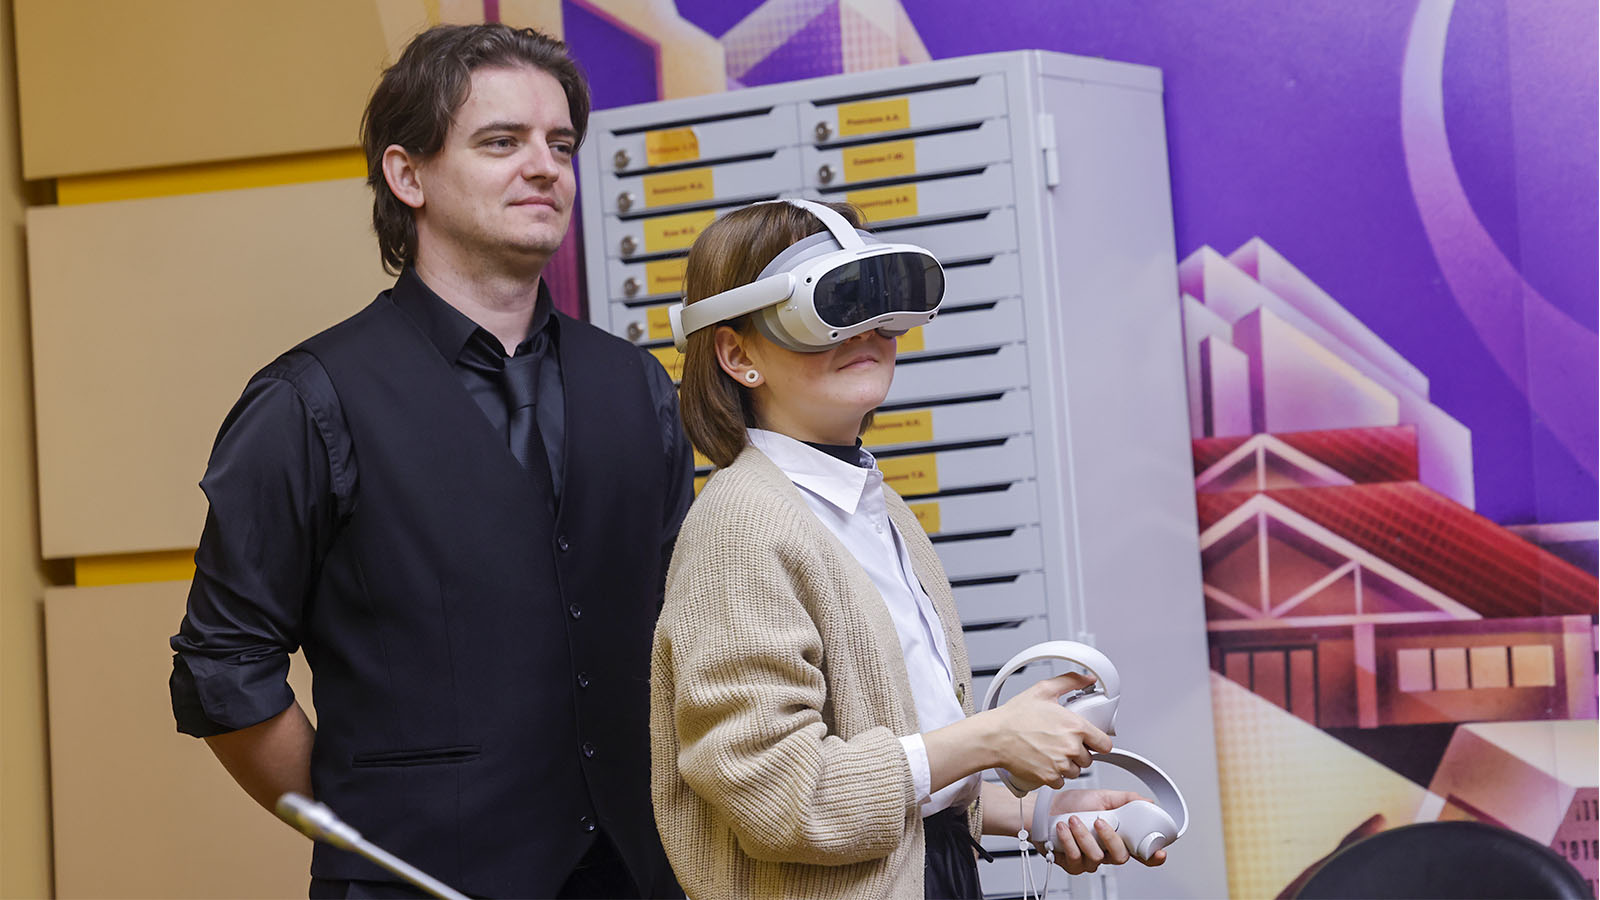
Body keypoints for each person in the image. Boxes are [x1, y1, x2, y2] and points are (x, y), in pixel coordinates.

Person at [168, 24, 692, 899]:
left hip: (641, 878)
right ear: (407, 175)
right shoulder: (308, 400)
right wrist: (362, 834)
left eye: (561, 145)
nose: (545, 168)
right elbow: (222, 668)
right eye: (502, 142)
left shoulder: (636, 385)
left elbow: (689, 631)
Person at [650, 199, 1168, 898]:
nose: (865, 330)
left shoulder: (877, 506)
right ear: (739, 355)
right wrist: (992, 738)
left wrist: (1038, 815)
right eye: (831, 307)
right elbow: (784, 798)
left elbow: (904, 772)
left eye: (877, 303)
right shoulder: (740, 527)